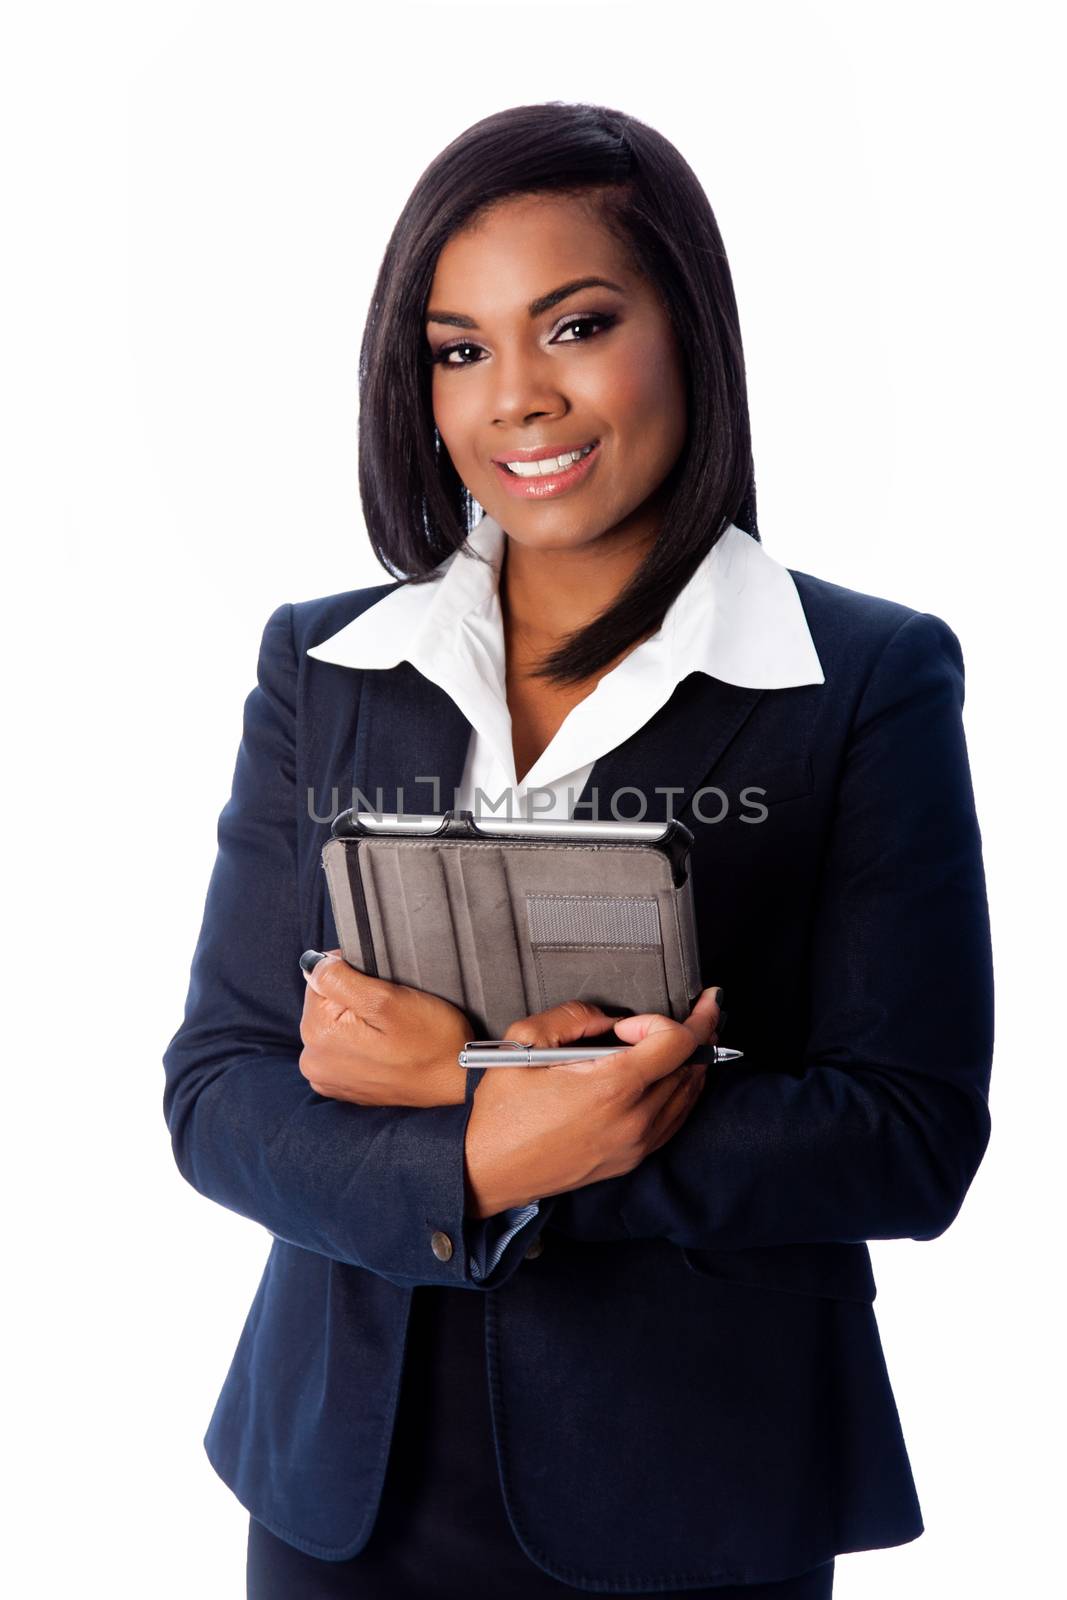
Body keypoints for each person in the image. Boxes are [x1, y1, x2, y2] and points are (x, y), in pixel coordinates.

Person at [162, 102, 994, 1599]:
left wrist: (460, 1087)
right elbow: (219, 1091)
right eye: (461, 348)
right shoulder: (325, 669)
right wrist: (490, 1137)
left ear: (688, 330)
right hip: (348, 1485)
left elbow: (909, 1136)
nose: (519, 400)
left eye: (578, 326)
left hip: (695, 1486)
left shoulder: (862, 681)